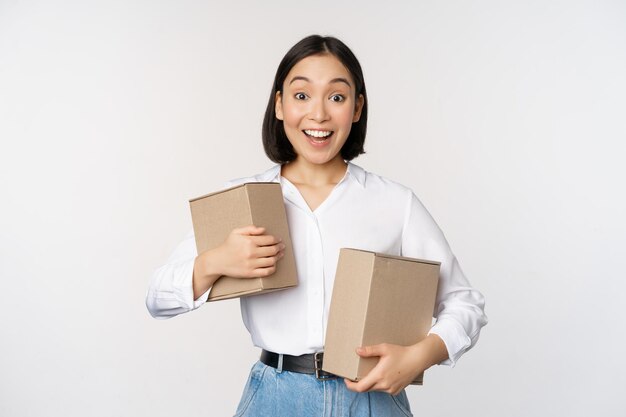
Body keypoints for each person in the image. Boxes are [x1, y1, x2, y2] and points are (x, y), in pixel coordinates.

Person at [146, 34, 488, 417]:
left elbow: (464, 301)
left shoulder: (395, 203)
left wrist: (420, 356)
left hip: (372, 398)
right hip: (275, 398)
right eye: (302, 95)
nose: (319, 114)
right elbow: (157, 299)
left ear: (357, 108)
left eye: (337, 97)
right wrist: (215, 262)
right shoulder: (244, 202)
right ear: (279, 105)